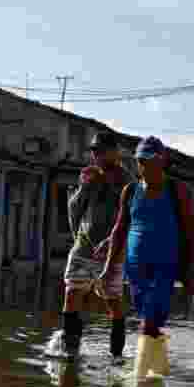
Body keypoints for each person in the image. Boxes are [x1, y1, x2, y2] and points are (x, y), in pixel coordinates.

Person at [100, 135, 194, 378]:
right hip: (135, 270)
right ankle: (158, 371)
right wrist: (107, 268)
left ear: (162, 161)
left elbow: (191, 233)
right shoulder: (131, 191)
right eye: (141, 161)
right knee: (147, 320)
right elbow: (119, 230)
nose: (144, 167)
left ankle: (142, 380)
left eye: (150, 161)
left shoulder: (177, 191)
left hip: (165, 267)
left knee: (149, 322)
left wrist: (189, 271)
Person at [61, 131, 135, 357]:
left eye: (102, 151)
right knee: (72, 294)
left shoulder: (127, 181)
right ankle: (69, 352)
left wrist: (114, 241)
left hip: (112, 253)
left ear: (115, 152)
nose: (97, 156)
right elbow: (74, 210)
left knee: (113, 301)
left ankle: (116, 355)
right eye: (94, 152)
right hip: (84, 247)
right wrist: (84, 187)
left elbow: (132, 217)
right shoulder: (90, 177)